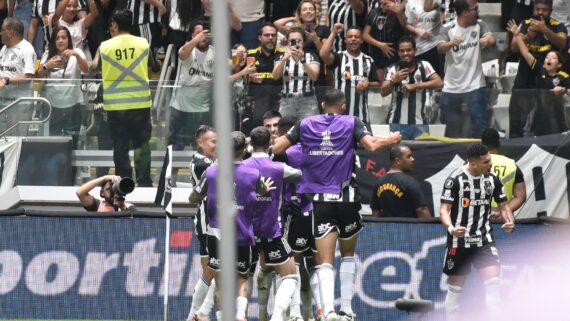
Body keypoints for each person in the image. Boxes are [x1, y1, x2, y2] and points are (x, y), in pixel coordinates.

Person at [273, 88, 401, 321]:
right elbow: (372, 146)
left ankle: (329, 311)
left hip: (319, 201)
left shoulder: (305, 124)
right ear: (343, 106)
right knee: (348, 254)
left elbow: (278, 148)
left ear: (323, 105)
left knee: (324, 261)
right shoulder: (351, 122)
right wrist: (391, 139)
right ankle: (347, 310)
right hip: (347, 198)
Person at [189, 131, 275, 321]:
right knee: (242, 278)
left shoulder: (211, 172)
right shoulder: (253, 173)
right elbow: (262, 190)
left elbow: (192, 198)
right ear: (244, 149)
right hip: (243, 234)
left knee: (220, 286)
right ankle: (239, 312)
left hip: (217, 233)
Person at [439, 143, 515, 321]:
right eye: (486, 161)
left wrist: (509, 221)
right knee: (455, 292)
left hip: (484, 240)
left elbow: (504, 206)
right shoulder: (455, 179)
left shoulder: (493, 179)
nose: (491, 164)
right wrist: (451, 229)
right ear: (473, 164)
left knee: (494, 288)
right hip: (459, 242)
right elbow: (444, 210)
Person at [243, 126, 303, 321]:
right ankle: (277, 316)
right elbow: (298, 175)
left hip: (246, 231)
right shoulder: (278, 168)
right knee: (291, 276)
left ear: (250, 143)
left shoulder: (240, 167)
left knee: (245, 276)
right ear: (270, 143)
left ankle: (255, 314)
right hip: (271, 231)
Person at [99, 9, 152, 186]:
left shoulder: (105, 46)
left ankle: (123, 183)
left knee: (120, 147)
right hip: (140, 103)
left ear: (114, 24)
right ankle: (144, 182)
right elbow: (153, 67)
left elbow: (97, 68)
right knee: (141, 146)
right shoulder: (143, 43)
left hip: (115, 106)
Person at [507, 0, 568, 138]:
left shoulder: (558, 26)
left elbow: (563, 43)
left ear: (551, 11)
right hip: (524, 79)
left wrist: (544, 29)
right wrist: (529, 36)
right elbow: (514, 48)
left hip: (548, 84)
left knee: (549, 128)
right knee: (517, 125)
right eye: (538, 9)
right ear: (533, 8)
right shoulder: (526, 24)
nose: (540, 12)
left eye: (544, 9)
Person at [437, 0, 496, 138]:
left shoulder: (479, 25)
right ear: (464, 13)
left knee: (480, 125)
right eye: (474, 9)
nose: (478, 11)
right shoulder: (448, 28)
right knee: (449, 128)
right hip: (451, 87)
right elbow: (440, 48)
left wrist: (487, 41)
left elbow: (491, 38)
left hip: (475, 85)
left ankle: (482, 156)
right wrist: (451, 43)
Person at [36, 25, 88, 150]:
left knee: (72, 144)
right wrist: (46, 66)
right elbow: (37, 76)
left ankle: (71, 170)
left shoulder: (77, 52)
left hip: (73, 106)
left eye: (64, 37)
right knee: (53, 144)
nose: (60, 40)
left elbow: (86, 70)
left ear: (69, 39)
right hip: (52, 107)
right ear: (53, 41)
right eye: (57, 38)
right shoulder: (48, 54)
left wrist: (76, 55)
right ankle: (54, 169)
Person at [381, 36, 443, 139]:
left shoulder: (424, 65)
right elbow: (383, 92)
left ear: (415, 50)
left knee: (423, 155)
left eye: (409, 50)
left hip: (420, 123)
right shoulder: (393, 69)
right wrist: (393, 80)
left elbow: (439, 83)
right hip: (397, 123)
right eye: (402, 51)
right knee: (398, 154)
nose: (405, 53)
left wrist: (416, 85)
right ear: (398, 52)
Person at [320, 23, 381, 126]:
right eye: (350, 36)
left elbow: (379, 84)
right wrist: (334, 32)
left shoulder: (368, 60)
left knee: (364, 142)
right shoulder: (338, 57)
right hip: (338, 117)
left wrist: (368, 84)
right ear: (345, 40)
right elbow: (323, 54)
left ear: (361, 40)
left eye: (356, 37)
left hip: (361, 116)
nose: (353, 39)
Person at [186, 125, 216, 321]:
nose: (217, 145)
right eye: (213, 141)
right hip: (208, 221)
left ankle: (194, 316)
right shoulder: (201, 163)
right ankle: (198, 314)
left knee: (212, 271)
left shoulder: (210, 161)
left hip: (214, 220)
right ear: (200, 142)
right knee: (212, 270)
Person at [169, 19, 214, 151]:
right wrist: (195, 41)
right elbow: (182, 54)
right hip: (180, 108)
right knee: (176, 148)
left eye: (204, 33)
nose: (202, 36)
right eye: (198, 33)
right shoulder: (188, 49)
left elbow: (231, 65)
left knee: (202, 148)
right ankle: (172, 172)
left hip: (202, 110)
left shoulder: (214, 52)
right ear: (193, 35)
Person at [370, 144, 431, 218]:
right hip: (408, 228)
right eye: (409, 156)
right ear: (398, 160)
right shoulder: (409, 182)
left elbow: (376, 212)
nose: (413, 159)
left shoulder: (379, 182)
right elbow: (422, 210)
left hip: (386, 228)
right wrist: (431, 229)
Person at [273, 27, 320, 120]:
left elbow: (314, 77)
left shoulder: (311, 56)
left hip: (307, 100)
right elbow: (275, 76)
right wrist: (284, 59)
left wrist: (302, 60)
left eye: (299, 41)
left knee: (309, 130)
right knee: (285, 130)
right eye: (292, 41)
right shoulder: (281, 56)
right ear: (288, 42)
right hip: (287, 101)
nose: (295, 44)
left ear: (304, 42)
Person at [246, 23, 285, 134]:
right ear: (260, 37)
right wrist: (248, 77)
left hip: (279, 101)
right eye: (267, 35)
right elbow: (238, 77)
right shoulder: (250, 54)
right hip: (257, 102)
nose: (271, 38)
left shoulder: (283, 55)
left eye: (273, 35)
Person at [0, 17, 36, 136]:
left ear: (10, 33)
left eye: (2, 30)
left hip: (19, 103)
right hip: (3, 101)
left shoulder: (26, 49)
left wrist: (7, 80)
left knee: (17, 139)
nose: (0, 33)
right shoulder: (4, 49)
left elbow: (28, 76)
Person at [481, 128, 527, 213]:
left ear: (481, 144)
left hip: (476, 221)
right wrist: (505, 211)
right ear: (499, 143)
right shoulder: (512, 165)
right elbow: (520, 196)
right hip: (503, 221)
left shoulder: (472, 165)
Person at [362, 0, 408, 81]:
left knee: (392, 80)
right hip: (376, 52)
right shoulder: (373, 13)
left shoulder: (398, 11)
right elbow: (365, 35)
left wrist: (399, 13)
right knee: (379, 82)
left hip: (394, 53)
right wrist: (380, 45)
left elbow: (404, 25)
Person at [405, 0, 445, 77]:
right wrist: (417, 30)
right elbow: (407, 24)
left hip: (435, 45)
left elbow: (427, 8)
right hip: (419, 48)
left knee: (437, 80)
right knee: (421, 79)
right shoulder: (410, 2)